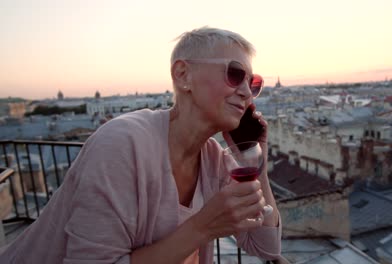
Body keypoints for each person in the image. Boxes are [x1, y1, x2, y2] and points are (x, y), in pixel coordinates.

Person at [0, 26, 281, 263]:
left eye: (253, 82)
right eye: (235, 74)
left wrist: (255, 164)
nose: (246, 92)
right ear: (183, 75)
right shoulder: (121, 144)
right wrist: (202, 228)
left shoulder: (213, 160)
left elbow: (267, 247)